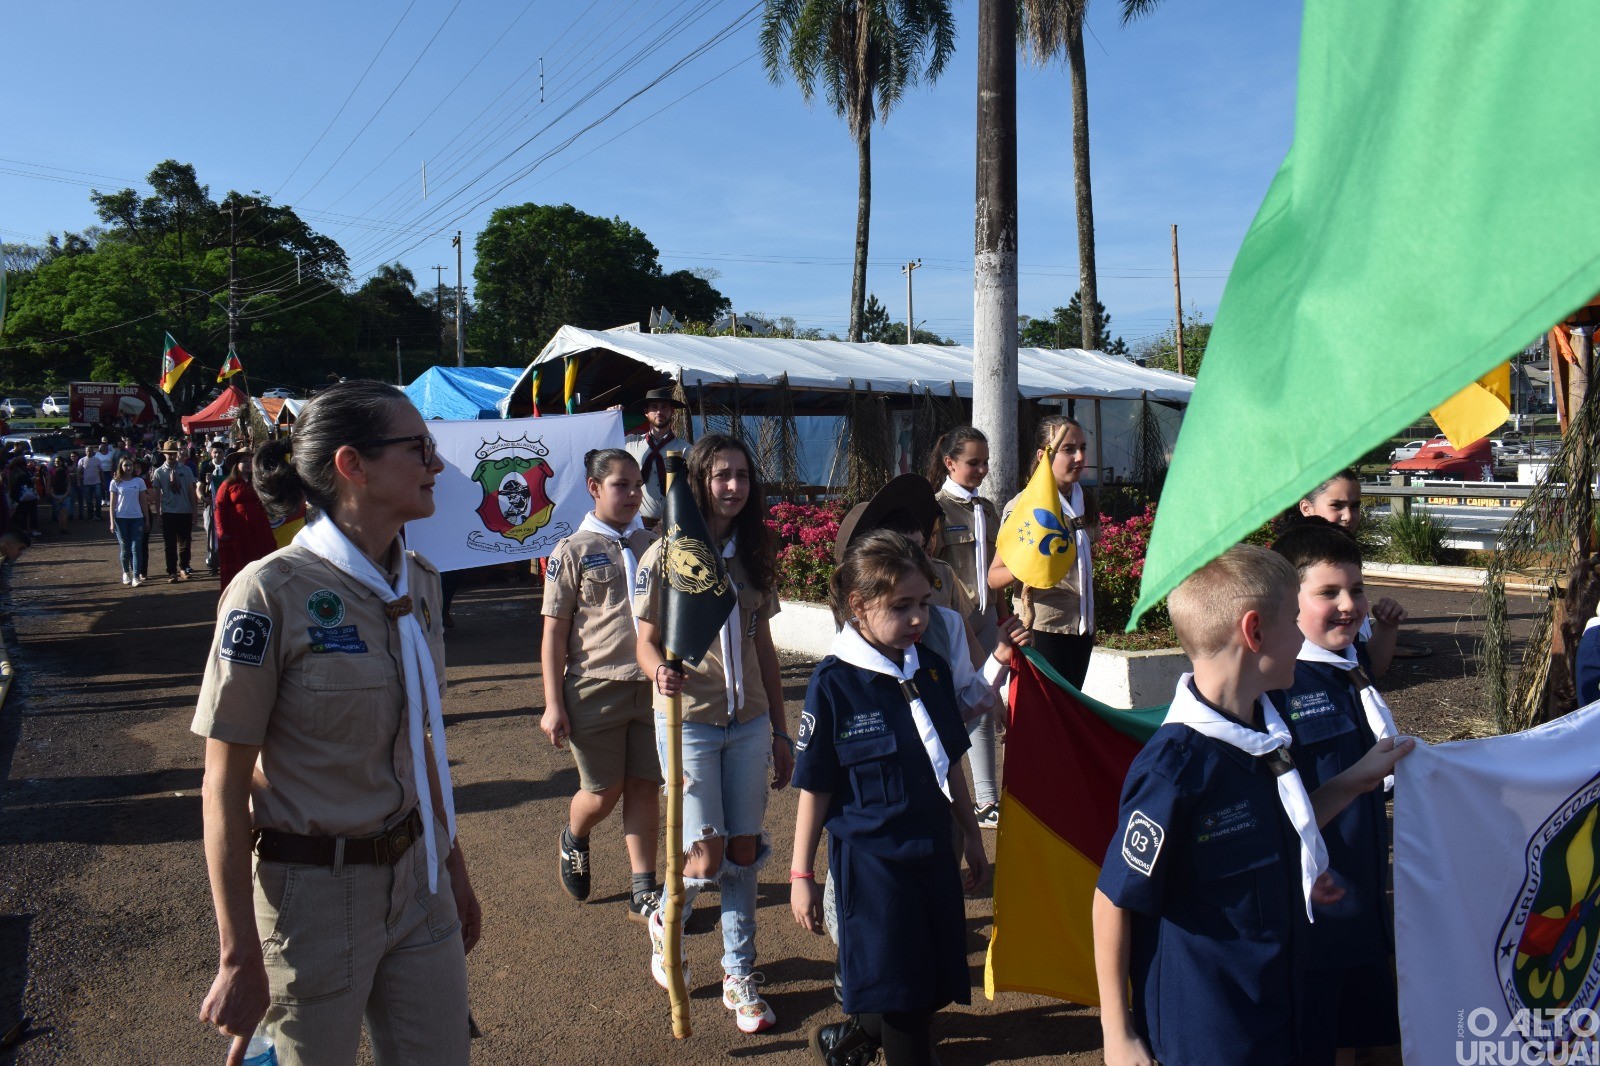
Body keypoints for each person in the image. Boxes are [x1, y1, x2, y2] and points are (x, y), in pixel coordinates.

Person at [193, 380, 479, 1066]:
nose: (436, 464)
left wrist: (452, 865)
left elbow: (422, 745)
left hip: (418, 881)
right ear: (352, 465)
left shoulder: (419, 582)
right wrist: (238, 956)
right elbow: (224, 785)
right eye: (419, 448)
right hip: (312, 900)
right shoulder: (269, 592)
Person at [1092, 545, 1414, 1066]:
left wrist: (1356, 780)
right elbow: (1114, 901)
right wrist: (1117, 1033)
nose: (1300, 637)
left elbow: (1282, 825)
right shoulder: (1175, 768)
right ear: (1255, 633)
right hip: (1212, 1022)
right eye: (1293, 620)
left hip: (1278, 997)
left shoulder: (1264, 728)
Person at [790, 530, 988, 1065]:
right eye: (902, 606)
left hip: (931, 850)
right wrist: (801, 875)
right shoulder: (834, 683)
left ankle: (851, 1041)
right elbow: (816, 786)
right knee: (905, 1001)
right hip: (874, 868)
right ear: (859, 606)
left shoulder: (930, 669)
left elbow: (950, 763)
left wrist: (970, 836)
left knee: (920, 985)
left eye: (924, 602)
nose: (919, 618)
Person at [632, 433, 793, 1035]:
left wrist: (781, 731)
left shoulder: (755, 552)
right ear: (697, 482)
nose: (733, 486)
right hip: (690, 722)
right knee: (706, 856)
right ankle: (665, 918)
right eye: (721, 475)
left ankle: (739, 973)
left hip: (749, 722)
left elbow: (765, 647)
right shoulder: (665, 556)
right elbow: (645, 642)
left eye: (743, 476)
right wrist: (659, 672)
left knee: (745, 851)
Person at [1269, 521, 1401, 1063]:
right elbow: (1279, 814)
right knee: (1330, 1049)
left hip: (1365, 904)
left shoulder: (1350, 673)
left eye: (1357, 588)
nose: (1349, 604)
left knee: (1380, 1041)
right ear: (1286, 602)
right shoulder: (1281, 690)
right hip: (1317, 918)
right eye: (1328, 592)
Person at [539, 448, 662, 921]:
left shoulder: (652, 544)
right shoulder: (572, 551)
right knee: (601, 793)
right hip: (594, 687)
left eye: (637, 486)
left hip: (650, 687)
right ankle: (575, 836)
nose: (633, 494)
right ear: (594, 489)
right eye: (621, 485)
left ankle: (643, 887)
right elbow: (553, 632)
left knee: (645, 786)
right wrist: (553, 703)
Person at [928, 426, 1004, 829]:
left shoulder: (988, 509)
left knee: (985, 701)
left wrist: (1003, 615)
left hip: (986, 618)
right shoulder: (935, 510)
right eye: (973, 462)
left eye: (985, 462)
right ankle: (947, 796)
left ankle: (987, 799)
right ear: (950, 463)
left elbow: (994, 567)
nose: (982, 470)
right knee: (950, 706)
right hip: (952, 622)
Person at [989, 416, 1098, 688]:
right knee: (1048, 719)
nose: (1080, 456)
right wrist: (1028, 563)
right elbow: (994, 577)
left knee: (1071, 718)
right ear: (1042, 456)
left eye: (1083, 447)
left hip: (1082, 628)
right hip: (1043, 630)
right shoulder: (1024, 507)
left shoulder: (1085, 501)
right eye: (1068, 449)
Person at [1293, 471, 1408, 676]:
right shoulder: (1287, 562)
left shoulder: (1348, 554)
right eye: (1337, 505)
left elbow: (1367, 666)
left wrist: (1387, 627)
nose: (1348, 516)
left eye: (1355, 506)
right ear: (1306, 508)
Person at [213, 451, 279, 594]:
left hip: (259, 527)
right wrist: (221, 530)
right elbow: (219, 507)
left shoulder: (259, 482)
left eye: (251, 461)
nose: (249, 464)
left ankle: (263, 590)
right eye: (245, 461)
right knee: (240, 561)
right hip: (239, 530)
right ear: (237, 465)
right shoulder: (228, 484)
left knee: (262, 558)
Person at [624, 388, 685, 529]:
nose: (659, 412)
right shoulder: (630, 444)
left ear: (672, 411)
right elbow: (604, 446)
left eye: (664, 407)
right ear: (646, 412)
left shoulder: (685, 450)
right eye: (654, 407)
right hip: (637, 525)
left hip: (674, 525)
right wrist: (609, 417)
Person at [152, 440, 199, 582]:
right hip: (168, 511)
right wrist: (158, 513)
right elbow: (156, 495)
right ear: (164, 454)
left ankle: (184, 567)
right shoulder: (159, 472)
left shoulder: (186, 470)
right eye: (168, 454)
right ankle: (171, 571)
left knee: (185, 542)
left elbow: (191, 491)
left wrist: (195, 510)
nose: (171, 456)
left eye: (173, 453)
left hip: (185, 510)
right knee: (169, 543)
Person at [107, 456, 148, 587]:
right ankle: (126, 572)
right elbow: (112, 504)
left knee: (136, 548)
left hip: (137, 518)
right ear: (121, 467)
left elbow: (143, 501)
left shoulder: (139, 481)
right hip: (121, 519)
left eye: (131, 465)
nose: (129, 468)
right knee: (125, 548)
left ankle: (136, 576)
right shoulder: (115, 482)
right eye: (126, 465)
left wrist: (146, 518)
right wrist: (112, 522)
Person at [201, 439, 229, 575]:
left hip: (226, 507)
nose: (217, 455)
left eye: (219, 452)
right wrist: (202, 497)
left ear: (224, 454)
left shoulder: (228, 467)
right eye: (214, 452)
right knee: (211, 534)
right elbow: (199, 487)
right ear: (211, 453)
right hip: (210, 505)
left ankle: (227, 561)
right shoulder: (206, 466)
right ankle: (213, 563)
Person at [78, 445, 104, 520]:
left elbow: (101, 471)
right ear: (85, 452)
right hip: (86, 483)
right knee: (88, 500)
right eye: (87, 451)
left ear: (93, 452)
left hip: (97, 482)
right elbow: (79, 472)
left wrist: (103, 482)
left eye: (90, 451)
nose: (89, 452)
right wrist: (79, 481)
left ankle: (98, 515)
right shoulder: (82, 460)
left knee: (98, 499)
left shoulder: (97, 460)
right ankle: (90, 515)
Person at [48, 455, 71, 534]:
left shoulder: (52, 471)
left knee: (59, 513)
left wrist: (50, 493)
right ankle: (64, 528)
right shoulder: (65, 470)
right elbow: (68, 483)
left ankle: (61, 528)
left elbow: (50, 483)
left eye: (58, 461)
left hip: (56, 494)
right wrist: (67, 494)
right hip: (63, 493)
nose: (56, 463)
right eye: (55, 462)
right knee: (63, 512)